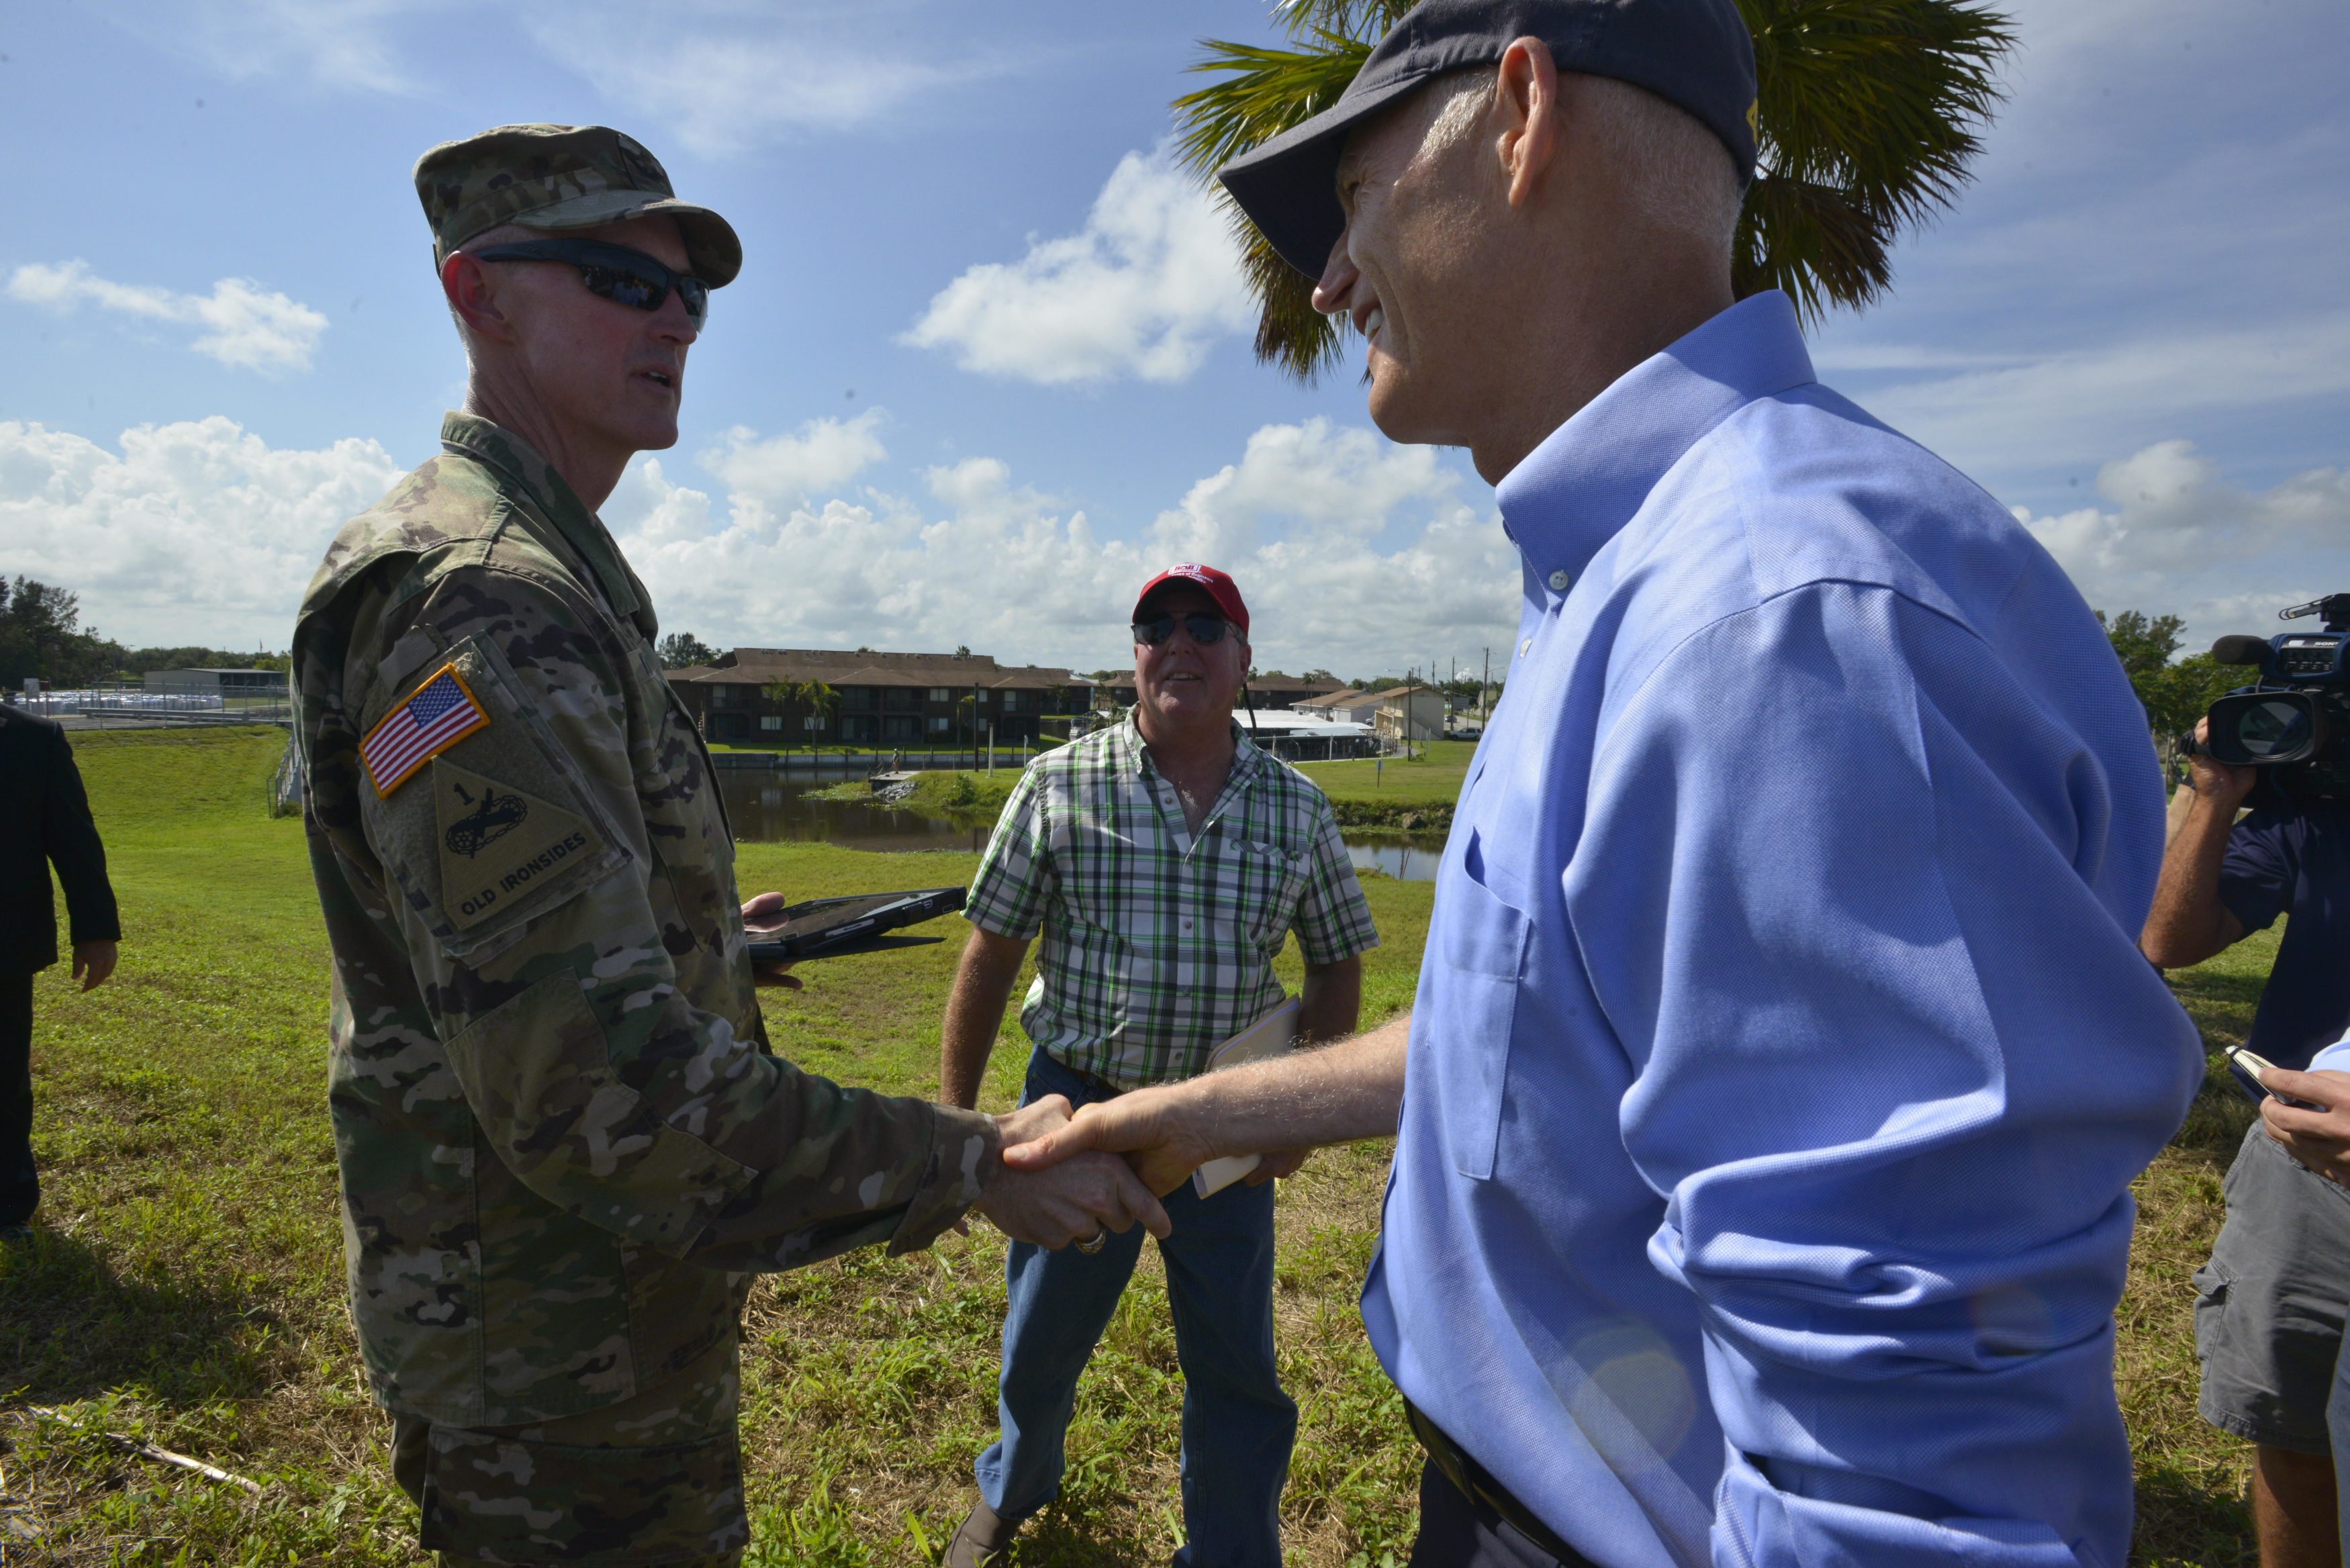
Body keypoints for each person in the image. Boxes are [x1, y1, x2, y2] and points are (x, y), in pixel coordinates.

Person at [1005, 2, 2207, 1563]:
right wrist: (1198, 1105)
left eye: (1353, 198)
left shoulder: (1780, 620)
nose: (1330, 278)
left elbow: (1913, 1491)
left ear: (1517, 113)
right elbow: (1547, 1033)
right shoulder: (1637, 581)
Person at [291, 123, 1166, 1567]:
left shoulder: (534, 571)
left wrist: (703, 944)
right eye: (614, 281)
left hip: (582, 1321)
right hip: (555, 1363)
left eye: (688, 295)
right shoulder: (488, 604)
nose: (673, 322)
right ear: (476, 294)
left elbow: (481, 946)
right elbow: (595, 1087)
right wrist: (966, 1162)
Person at [939, 565, 1378, 1568]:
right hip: (1074, 1103)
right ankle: (1016, 1483)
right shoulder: (1059, 784)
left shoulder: (1296, 810)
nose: (1178, 642)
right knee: (1042, 1337)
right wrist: (962, 1127)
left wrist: (1295, 1115)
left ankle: (1230, 1550)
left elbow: (1339, 956)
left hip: (1224, 1119)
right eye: (1156, 625)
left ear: (1242, 660)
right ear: (1134, 655)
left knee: (1235, 1360)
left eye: (1204, 626)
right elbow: (991, 953)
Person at [2143, 718, 2350, 1568]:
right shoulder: (2320, 813)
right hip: (2301, 1160)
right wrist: (2213, 790)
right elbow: (2170, 940)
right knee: (2292, 1432)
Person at [0, 701, 120, 1246]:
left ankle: (6, 1209)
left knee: (3, 1079)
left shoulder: (34, 739)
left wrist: (95, 931)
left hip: (3, 942)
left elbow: (73, 838)